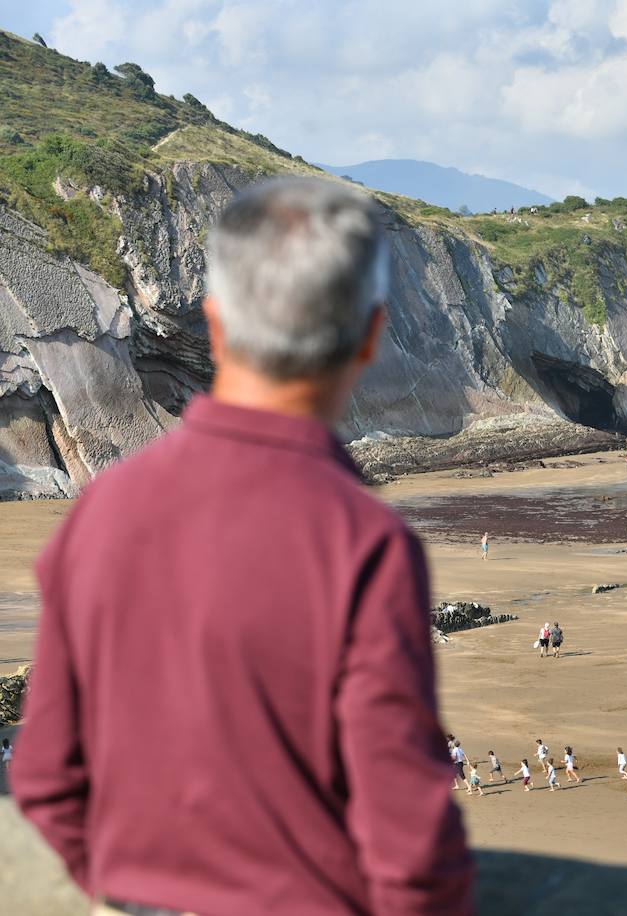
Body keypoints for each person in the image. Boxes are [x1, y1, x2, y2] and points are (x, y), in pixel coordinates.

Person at [9, 178, 472, 914]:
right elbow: (405, 829)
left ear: (216, 324)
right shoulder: (362, 540)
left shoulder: (104, 509)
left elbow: (44, 774)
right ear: (370, 334)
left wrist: (132, 889)